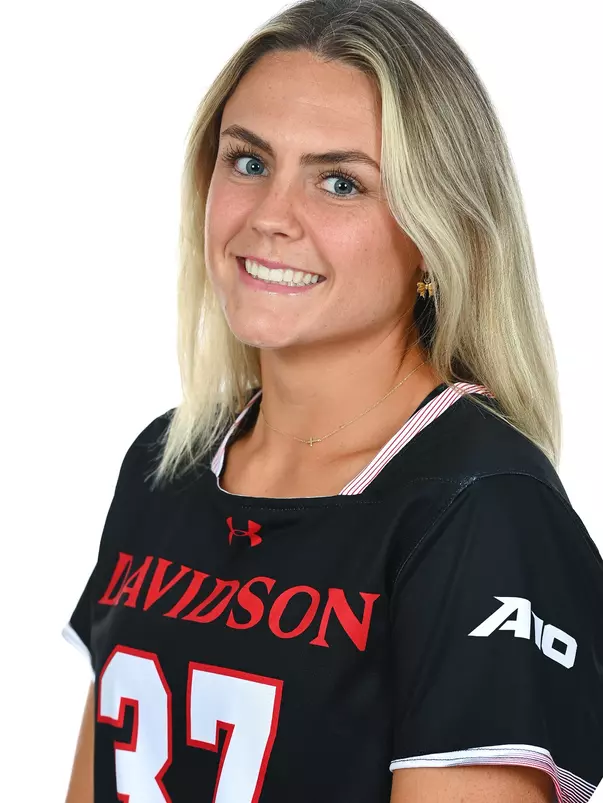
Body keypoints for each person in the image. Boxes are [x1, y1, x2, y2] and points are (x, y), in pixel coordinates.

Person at [62, 1, 603, 801]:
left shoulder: (482, 511)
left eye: (340, 181)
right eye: (247, 161)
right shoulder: (161, 463)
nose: (270, 217)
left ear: (434, 229)